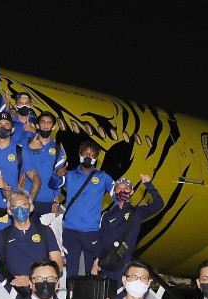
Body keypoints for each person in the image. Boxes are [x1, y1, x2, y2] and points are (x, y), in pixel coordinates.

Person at [0, 190, 63, 293]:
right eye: (15, 206)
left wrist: (32, 281)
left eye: (23, 204)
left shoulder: (45, 231)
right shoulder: (2, 236)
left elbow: (59, 266)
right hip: (16, 295)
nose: (19, 209)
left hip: (43, 292)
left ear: (31, 208)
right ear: (9, 211)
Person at [91, 175, 164, 283]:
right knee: (105, 296)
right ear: (114, 192)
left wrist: (148, 185)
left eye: (126, 188)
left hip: (124, 262)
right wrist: (96, 262)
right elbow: (100, 239)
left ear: (131, 192)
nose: (122, 191)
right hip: (106, 261)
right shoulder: (107, 215)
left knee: (121, 295)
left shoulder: (138, 212)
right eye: (119, 188)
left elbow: (159, 204)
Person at [59, 141, 114, 278]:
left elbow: (118, 196)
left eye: (92, 154)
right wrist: (56, 174)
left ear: (97, 157)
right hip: (71, 230)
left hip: (92, 231)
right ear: (80, 155)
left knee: (92, 269)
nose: (89, 156)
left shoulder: (103, 177)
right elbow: (54, 185)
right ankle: (70, 298)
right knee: (71, 269)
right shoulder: (70, 175)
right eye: (86, 153)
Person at [0, 111, 41, 198]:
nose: (3, 126)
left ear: (12, 129)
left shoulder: (21, 152)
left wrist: (28, 203)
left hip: (11, 205)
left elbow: (36, 180)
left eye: (7, 124)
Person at [23, 112, 67, 217]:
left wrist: (56, 202)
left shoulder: (58, 149)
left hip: (48, 201)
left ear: (53, 126)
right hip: (27, 198)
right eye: (43, 122)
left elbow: (57, 180)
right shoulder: (26, 144)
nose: (46, 125)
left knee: (45, 233)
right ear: (37, 125)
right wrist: (29, 148)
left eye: (49, 122)